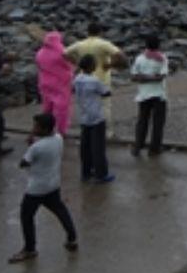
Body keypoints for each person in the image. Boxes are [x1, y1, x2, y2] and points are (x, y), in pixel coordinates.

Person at [7, 113, 77, 263]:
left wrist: (31, 143)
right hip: (53, 183)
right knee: (60, 210)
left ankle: (30, 249)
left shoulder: (37, 147)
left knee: (26, 216)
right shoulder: (58, 139)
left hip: (36, 188)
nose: (33, 128)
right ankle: (72, 238)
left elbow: (23, 163)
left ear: (44, 129)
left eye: (36, 126)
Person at [63, 23, 125, 139]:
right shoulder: (103, 44)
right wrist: (109, 65)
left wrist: (77, 63)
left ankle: (87, 131)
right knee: (105, 106)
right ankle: (107, 133)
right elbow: (120, 55)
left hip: (83, 79)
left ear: (88, 32)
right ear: (100, 32)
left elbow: (64, 53)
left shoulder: (80, 44)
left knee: (85, 106)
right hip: (101, 79)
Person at [73, 55, 113, 183]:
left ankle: (86, 173)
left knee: (85, 147)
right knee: (98, 148)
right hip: (96, 116)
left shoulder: (77, 79)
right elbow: (106, 92)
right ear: (91, 66)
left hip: (84, 116)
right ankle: (101, 174)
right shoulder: (94, 81)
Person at [130, 34, 169, 157]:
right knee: (158, 123)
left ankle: (138, 145)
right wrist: (153, 77)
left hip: (143, 94)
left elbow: (134, 76)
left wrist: (143, 78)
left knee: (142, 121)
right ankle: (154, 148)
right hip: (159, 94)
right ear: (158, 45)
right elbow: (161, 77)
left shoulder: (140, 58)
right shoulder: (162, 58)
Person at [35, 31, 75, 136]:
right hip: (60, 83)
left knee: (47, 106)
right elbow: (69, 65)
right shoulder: (61, 51)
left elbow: (39, 66)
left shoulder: (40, 53)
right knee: (61, 108)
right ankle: (61, 131)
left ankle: (46, 128)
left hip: (44, 83)